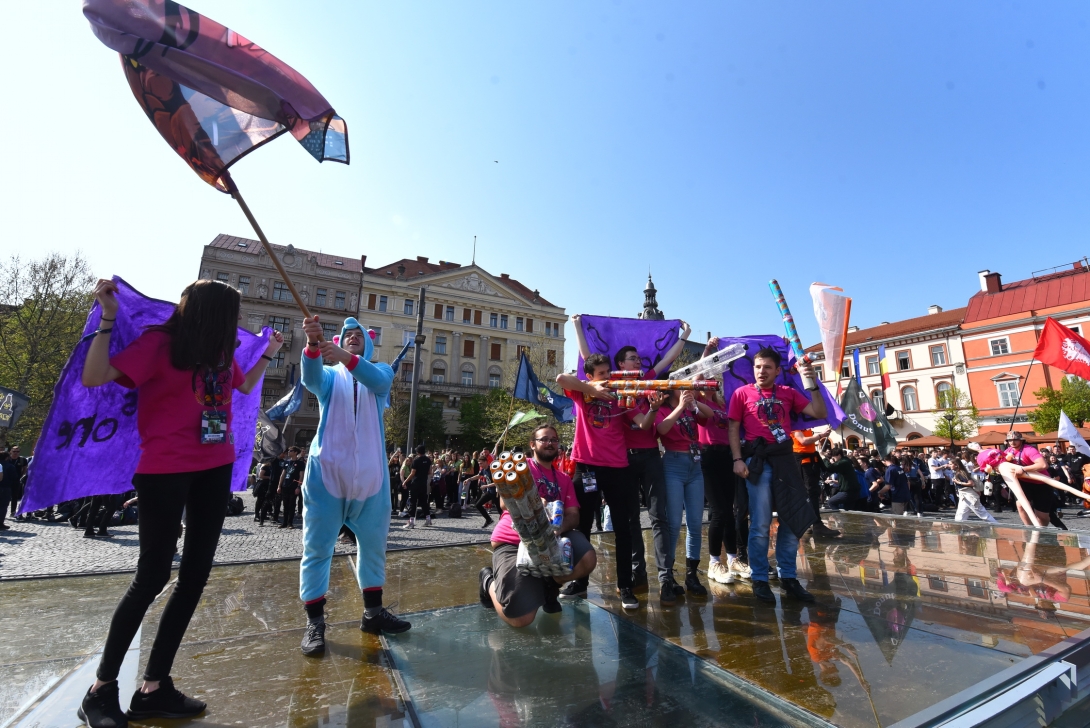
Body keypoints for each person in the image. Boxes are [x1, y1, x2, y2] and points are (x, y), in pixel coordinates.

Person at [77, 278, 282, 728]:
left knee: (194, 578)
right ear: (215, 313)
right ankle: (100, 691)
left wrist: (268, 351)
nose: (242, 322)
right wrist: (108, 317)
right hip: (164, 469)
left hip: (214, 467)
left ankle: (154, 687)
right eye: (236, 314)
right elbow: (94, 376)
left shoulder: (218, 354)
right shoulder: (159, 343)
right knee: (151, 577)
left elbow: (244, 387)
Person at [296, 315, 411, 658]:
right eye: (346, 336)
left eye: (357, 335)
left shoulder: (382, 374)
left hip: (370, 482)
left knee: (373, 548)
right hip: (326, 477)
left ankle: (373, 614)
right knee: (317, 550)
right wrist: (313, 346)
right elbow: (311, 378)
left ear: (368, 343)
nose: (351, 338)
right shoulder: (331, 377)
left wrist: (343, 356)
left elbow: (374, 378)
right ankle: (315, 624)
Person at [570, 315, 690, 596]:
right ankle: (622, 576)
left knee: (650, 518)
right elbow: (586, 363)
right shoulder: (605, 386)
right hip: (608, 460)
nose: (638, 363)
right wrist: (577, 327)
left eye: (639, 359)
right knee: (615, 520)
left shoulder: (644, 383)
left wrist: (684, 337)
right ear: (618, 367)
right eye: (632, 359)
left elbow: (664, 364)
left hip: (637, 458)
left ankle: (655, 580)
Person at [728, 346, 825, 604]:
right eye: (758, 367)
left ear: (777, 370)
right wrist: (738, 459)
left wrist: (811, 381)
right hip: (757, 462)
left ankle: (789, 578)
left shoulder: (788, 393)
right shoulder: (741, 393)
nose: (761, 371)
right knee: (759, 524)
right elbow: (733, 427)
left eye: (767, 367)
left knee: (791, 522)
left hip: (786, 461)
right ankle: (760, 578)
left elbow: (819, 413)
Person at [479, 425, 598, 627]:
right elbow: (503, 503)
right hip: (513, 541)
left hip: (551, 539)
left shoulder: (563, 479)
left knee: (587, 557)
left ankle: (549, 587)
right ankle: (488, 581)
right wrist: (534, 502)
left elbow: (573, 515)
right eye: (544, 439)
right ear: (532, 444)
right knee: (520, 619)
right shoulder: (521, 467)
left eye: (554, 439)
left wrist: (558, 528)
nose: (550, 443)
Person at [557, 353, 640, 610]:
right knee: (582, 526)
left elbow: (640, 422)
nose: (606, 377)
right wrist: (590, 387)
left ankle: (625, 585)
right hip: (587, 466)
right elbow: (561, 378)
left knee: (624, 529)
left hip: (618, 467)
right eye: (601, 374)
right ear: (591, 376)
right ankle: (580, 583)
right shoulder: (582, 392)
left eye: (608, 372)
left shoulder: (620, 393)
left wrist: (656, 408)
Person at [653, 388, 711, 600]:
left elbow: (709, 416)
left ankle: (691, 574)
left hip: (695, 466)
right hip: (673, 464)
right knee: (674, 524)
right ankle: (667, 575)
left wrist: (693, 403)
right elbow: (661, 429)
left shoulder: (691, 407)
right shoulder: (664, 409)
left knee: (696, 523)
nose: (689, 390)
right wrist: (679, 407)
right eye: (682, 387)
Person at [1003, 431, 1053, 528]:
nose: (1012, 442)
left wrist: (1023, 469)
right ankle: (1029, 529)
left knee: (1042, 516)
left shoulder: (1029, 450)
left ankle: (1043, 530)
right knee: (1021, 506)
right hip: (1023, 483)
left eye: (1015, 440)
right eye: (1010, 440)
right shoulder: (1008, 451)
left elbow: (1043, 465)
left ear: (1021, 440)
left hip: (1041, 483)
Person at [403, 444, 434, 529]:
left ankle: (411, 522)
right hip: (423, 483)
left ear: (417, 452)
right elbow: (430, 472)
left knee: (413, 502)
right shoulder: (428, 460)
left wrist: (405, 481)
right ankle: (428, 519)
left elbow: (412, 473)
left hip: (415, 483)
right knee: (424, 502)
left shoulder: (416, 461)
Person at [276, 447, 304, 529]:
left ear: (295, 452)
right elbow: (283, 475)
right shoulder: (286, 462)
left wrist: (299, 486)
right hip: (285, 485)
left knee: (292, 505)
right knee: (285, 505)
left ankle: (290, 523)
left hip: (294, 486)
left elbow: (301, 476)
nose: (288, 452)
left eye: (290, 451)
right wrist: (279, 486)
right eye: (288, 451)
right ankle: (284, 522)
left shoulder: (300, 463)